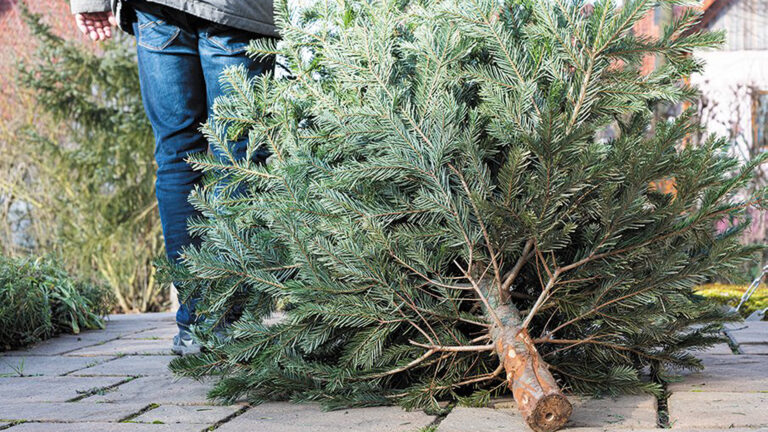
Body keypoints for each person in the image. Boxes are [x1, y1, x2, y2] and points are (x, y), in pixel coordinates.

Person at [69, 0, 276, 355]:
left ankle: (197, 323)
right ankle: (234, 323)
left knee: (177, 157)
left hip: (158, 8)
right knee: (240, 155)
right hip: (237, 11)